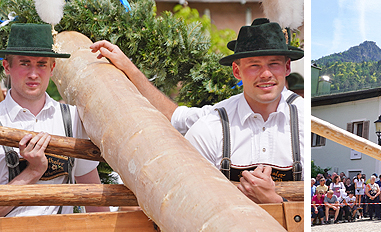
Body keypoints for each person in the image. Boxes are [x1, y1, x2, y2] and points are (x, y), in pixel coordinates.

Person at [89, 18, 303, 205]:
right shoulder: (214, 124)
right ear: (237, 71)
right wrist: (130, 69)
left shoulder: (304, 120)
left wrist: (274, 201)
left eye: (274, 64)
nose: (265, 74)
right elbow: (173, 117)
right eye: (254, 65)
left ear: (286, 68)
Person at [0, 23, 114, 232]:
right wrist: (32, 173)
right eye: (24, 63)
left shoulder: (71, 119)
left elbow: (92, 193)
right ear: (7, 66)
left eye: (41, 64)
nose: (33, 73)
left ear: (53, 67)